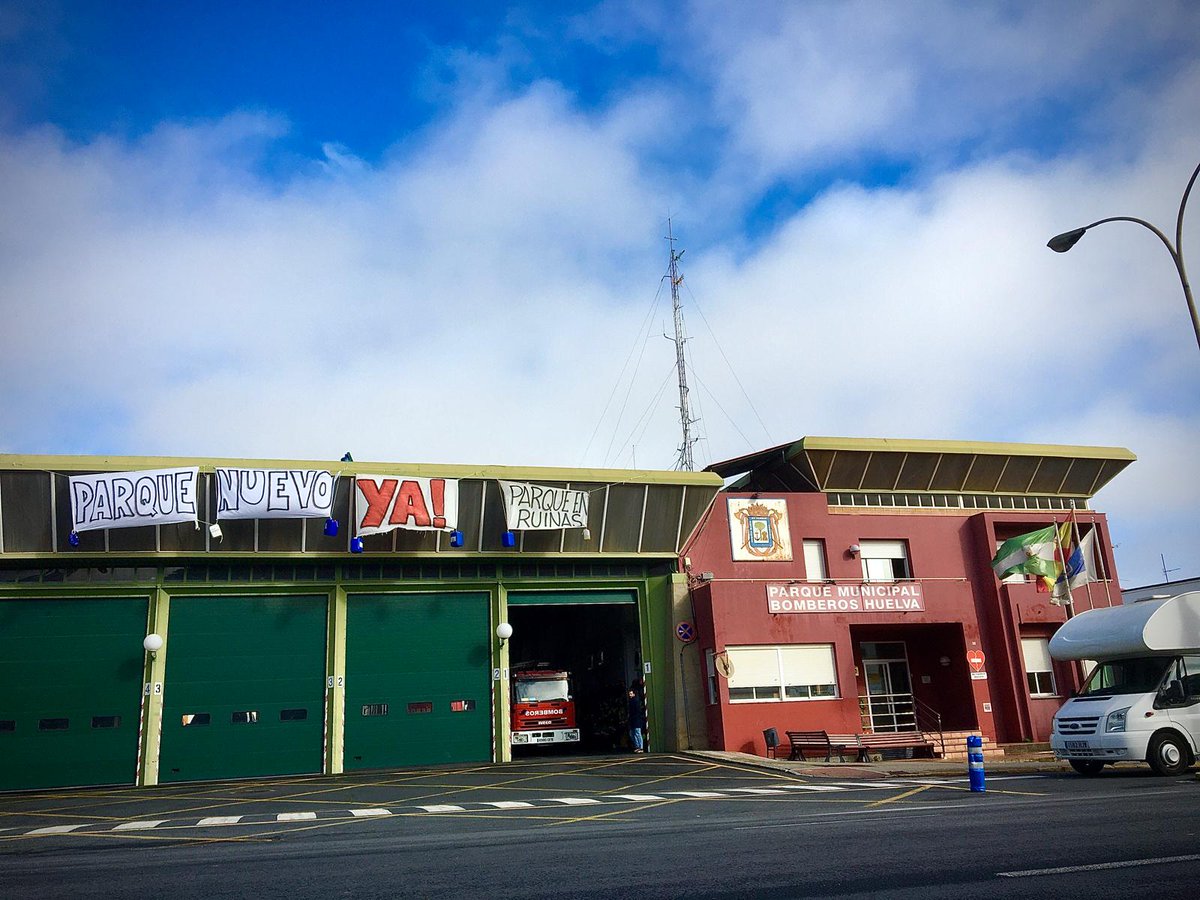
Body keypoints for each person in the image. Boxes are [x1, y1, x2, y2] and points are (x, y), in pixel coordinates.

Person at [627, 682, 646, 753]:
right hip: (633, 720)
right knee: (632, 733)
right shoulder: (631, 702)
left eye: (631, 694)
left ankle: (640, 747)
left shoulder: (636, 702)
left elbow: (637, 711)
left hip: (636, 720)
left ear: (634, 694)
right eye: (629, 694)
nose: (630, 695)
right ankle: (637, 746)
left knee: (637, 733)